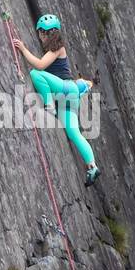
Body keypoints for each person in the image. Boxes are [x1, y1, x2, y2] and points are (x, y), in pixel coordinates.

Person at [12, 13, 100, 185]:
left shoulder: (58, 48)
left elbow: (39, 66)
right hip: (69, 97)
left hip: (65, 90)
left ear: (46, 33)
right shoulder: (56, 49)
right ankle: (92, 167)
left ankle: (49, 105)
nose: (41, 37)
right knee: (74, 133)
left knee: (36, 74)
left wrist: (23, 49)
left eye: (41, 34)